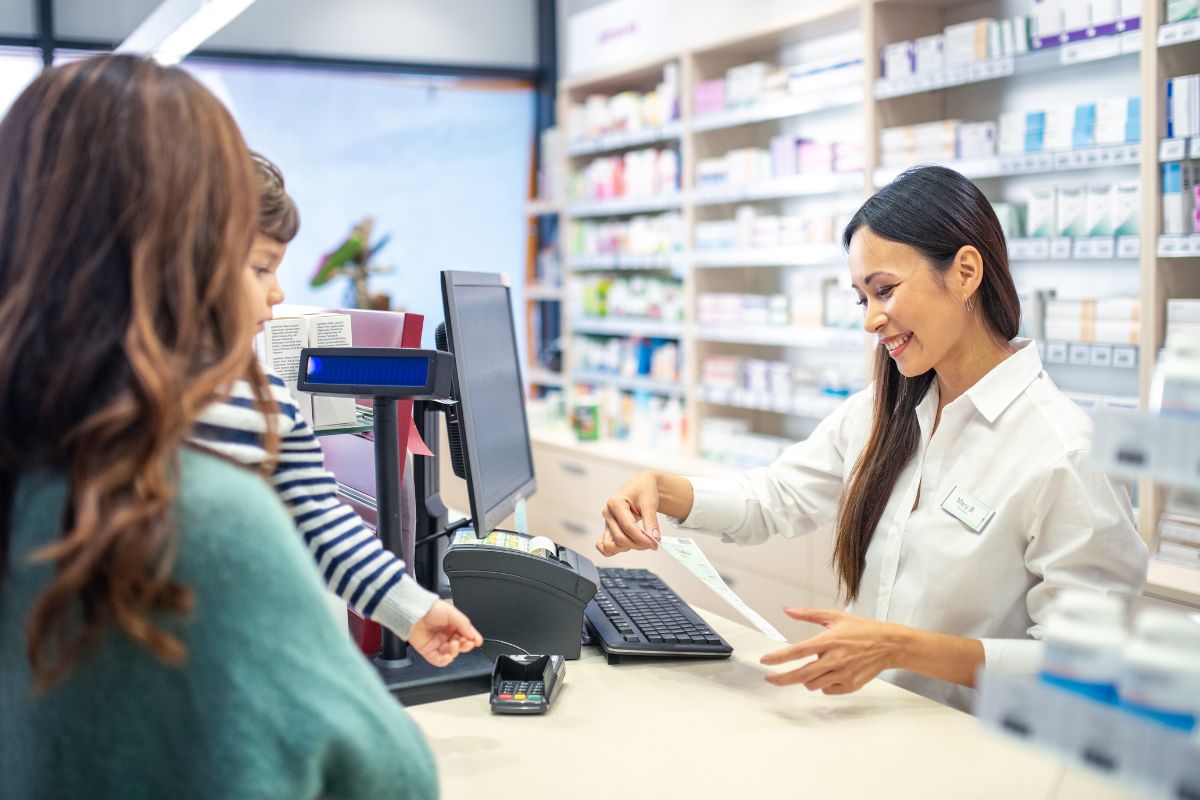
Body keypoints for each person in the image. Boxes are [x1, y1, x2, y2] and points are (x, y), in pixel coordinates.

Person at [0, 55, 436, 798]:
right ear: (170, 252)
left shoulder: (36, 476)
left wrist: (407, 607)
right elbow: (390, 777)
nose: (274, 292)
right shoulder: (202, 515)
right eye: (249, 260)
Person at [595, 165, 1149, 711]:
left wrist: (903, 649)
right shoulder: (883, 410)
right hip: (874, 723)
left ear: (965, 272)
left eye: (885, 290)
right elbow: (775, 498)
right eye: (863, 299)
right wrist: (663, 490)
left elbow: (1088, 663)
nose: (871, 320)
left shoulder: (1064, 451)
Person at [190, 152, 483, 665]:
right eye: (260, 268)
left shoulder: (262, 397)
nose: (278, 291)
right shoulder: (100, 402)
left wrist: (411, 611)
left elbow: (318, 518)